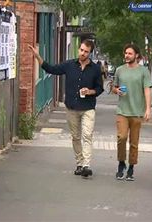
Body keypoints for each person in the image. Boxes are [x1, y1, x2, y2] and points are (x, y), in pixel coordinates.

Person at [28, 39, 103, 178]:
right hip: (72, 107)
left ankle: (86, 165)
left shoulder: (95, 69)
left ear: (90, 53)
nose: (82, 53)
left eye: (86, 51)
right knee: (75, 136)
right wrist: (37, 56)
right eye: (81, 50)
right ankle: (79, 164)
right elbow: (51, 69)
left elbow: (100, 88)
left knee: (87, 135)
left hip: (88, 107)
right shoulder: (69, 65)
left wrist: (90, 91)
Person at [112, 43, 151, 181]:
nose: (127, 56)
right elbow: (114, 87)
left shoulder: (143, 71)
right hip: (122, 111)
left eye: (129, 53)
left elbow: (147, 89)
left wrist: (148, 109)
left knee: (134, 142)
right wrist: (116, 90)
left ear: (137, 56)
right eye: (126, 53)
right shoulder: (119, 70)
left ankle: (131, 167)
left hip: (137, 112)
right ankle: (121, 163)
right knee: (121, 137)